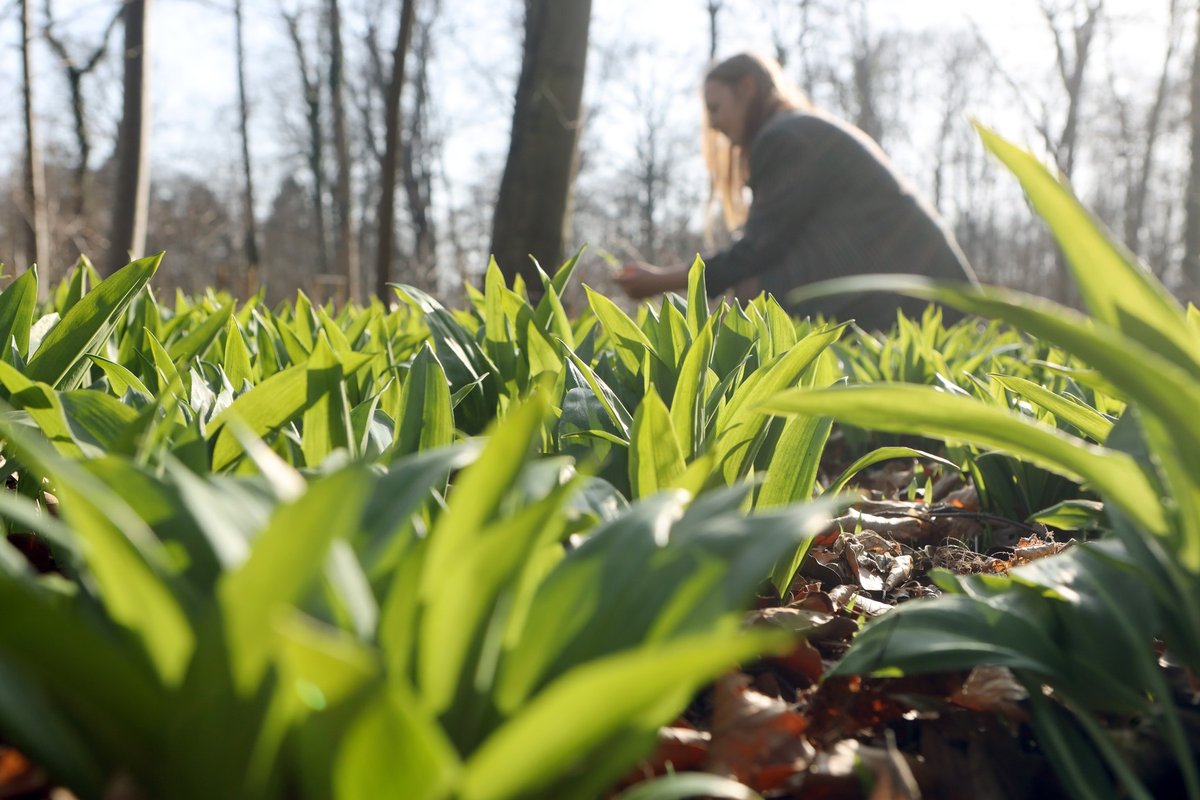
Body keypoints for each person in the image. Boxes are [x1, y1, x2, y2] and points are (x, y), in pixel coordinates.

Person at [615, 52, 977, 330]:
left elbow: (756, 250)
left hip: (918, 295)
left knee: (753, 295)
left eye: (715, 108)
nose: (712, 123)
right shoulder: (798, 130)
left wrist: (662, 280)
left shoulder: (783, 138)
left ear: (747, 89)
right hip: (921, 285)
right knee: (756, 290)